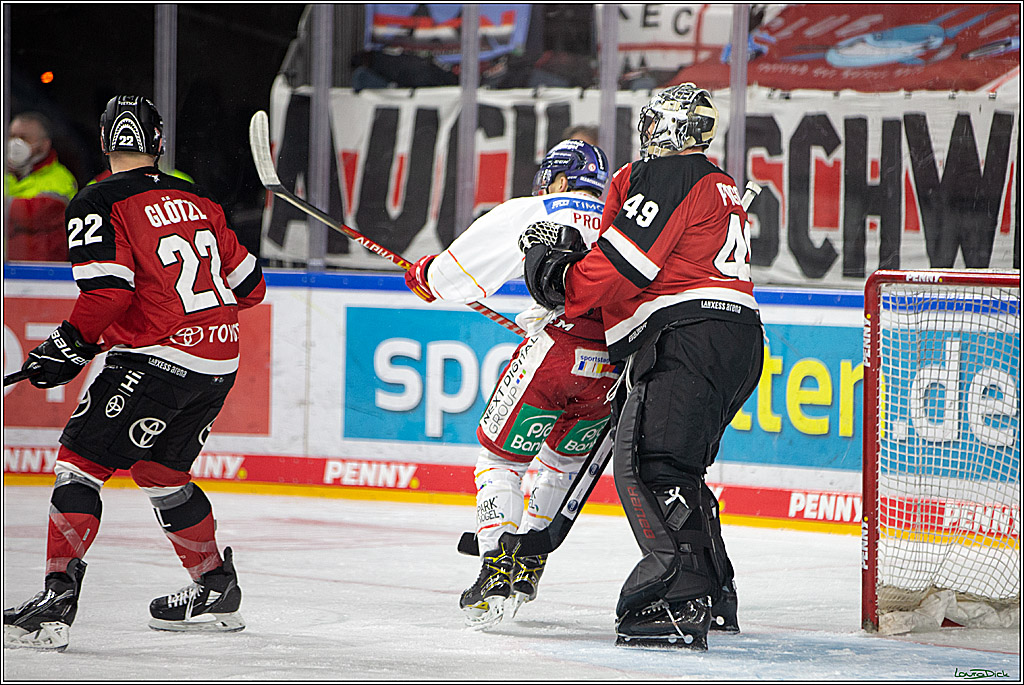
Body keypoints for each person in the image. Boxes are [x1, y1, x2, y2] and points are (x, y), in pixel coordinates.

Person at [3, 95, 266, 651]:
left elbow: (109, 292)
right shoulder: (198, 197)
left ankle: (56, 600)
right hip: (219, 360)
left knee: (79, 465)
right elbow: (252, 289)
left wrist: (71, 341)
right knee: (159, 472)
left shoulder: (96, 199)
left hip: (159, 359)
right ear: (159, 143)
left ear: (103, 143)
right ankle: (215, 584)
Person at [521, 83, 764, 651]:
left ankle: (674, 601)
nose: (647, 133)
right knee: (678, 469)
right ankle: (714, 593)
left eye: (654, 123)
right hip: (736, 339)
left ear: (667, 129)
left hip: (686, 337)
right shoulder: (718, 183)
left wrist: (559, 279)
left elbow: (621, 266)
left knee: (651, 467)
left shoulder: (667, 173)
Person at [403, 139, 617, 628]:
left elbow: (455, 277)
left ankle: (496, 564)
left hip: (554, 355)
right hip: (610, 369)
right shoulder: (622, 223)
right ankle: (531, 557)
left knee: (500, 459)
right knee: (561, 464)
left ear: (560, 180)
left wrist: (424, 276)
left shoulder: (536, 209)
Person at [4, 111, 78, 261]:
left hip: (43, 273)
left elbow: (32, 215)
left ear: (44, 145)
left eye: (24, 138)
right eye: (12, 136)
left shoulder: (60, 179)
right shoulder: (6, 174)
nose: (15, 143)